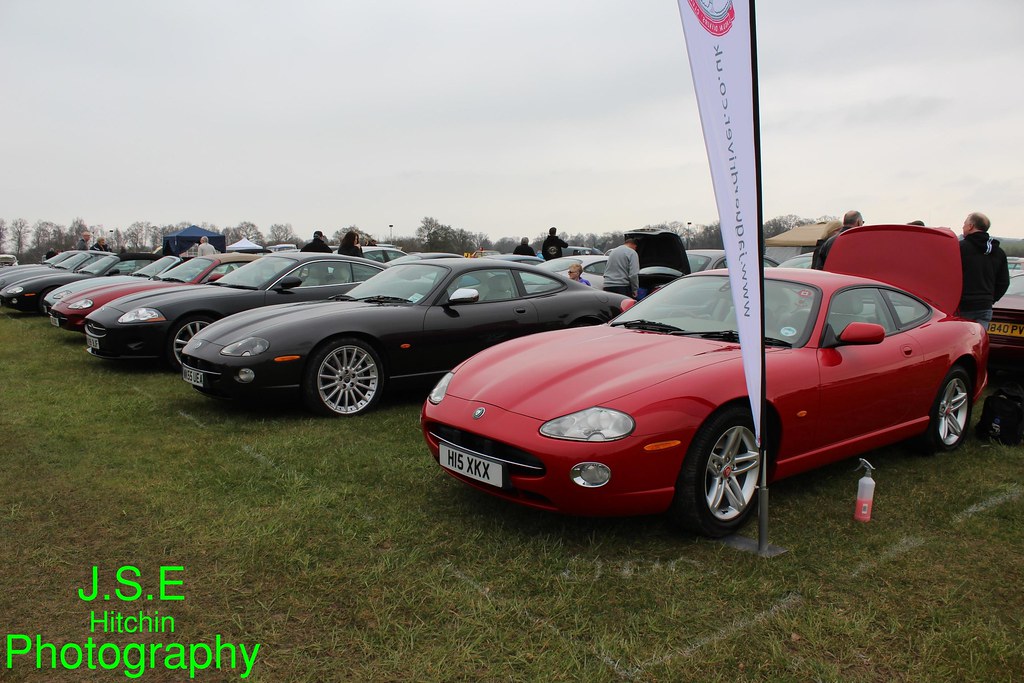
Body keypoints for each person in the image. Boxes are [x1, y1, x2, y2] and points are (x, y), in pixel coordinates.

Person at [957, 212, 1009, 330]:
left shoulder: (959, 248)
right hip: (985, 307)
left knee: (961, 344)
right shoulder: (999, 252)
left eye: (964, 224)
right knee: (978, 343)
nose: (963, 227)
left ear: (971, 226)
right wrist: (990, 299)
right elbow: (1004, 282)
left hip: (962, 306)